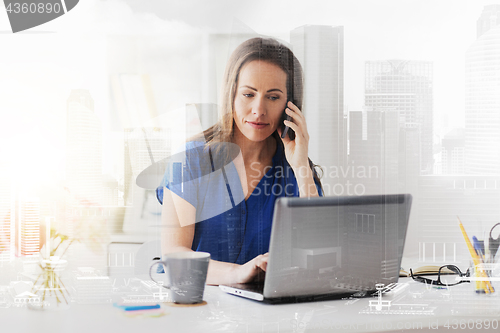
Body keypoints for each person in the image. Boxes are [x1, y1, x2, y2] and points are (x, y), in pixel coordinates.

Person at [156, 37, 323, 286]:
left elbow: (320, 257)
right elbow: (174, 256)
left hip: (266, 317)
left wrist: (301, 169)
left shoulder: (297, 170)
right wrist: (237, 273)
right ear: (231, 94)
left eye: (273, 97)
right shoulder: (191, 160)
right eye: (248, 94)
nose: (259, 109)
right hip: (196, 309)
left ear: (290, 106)